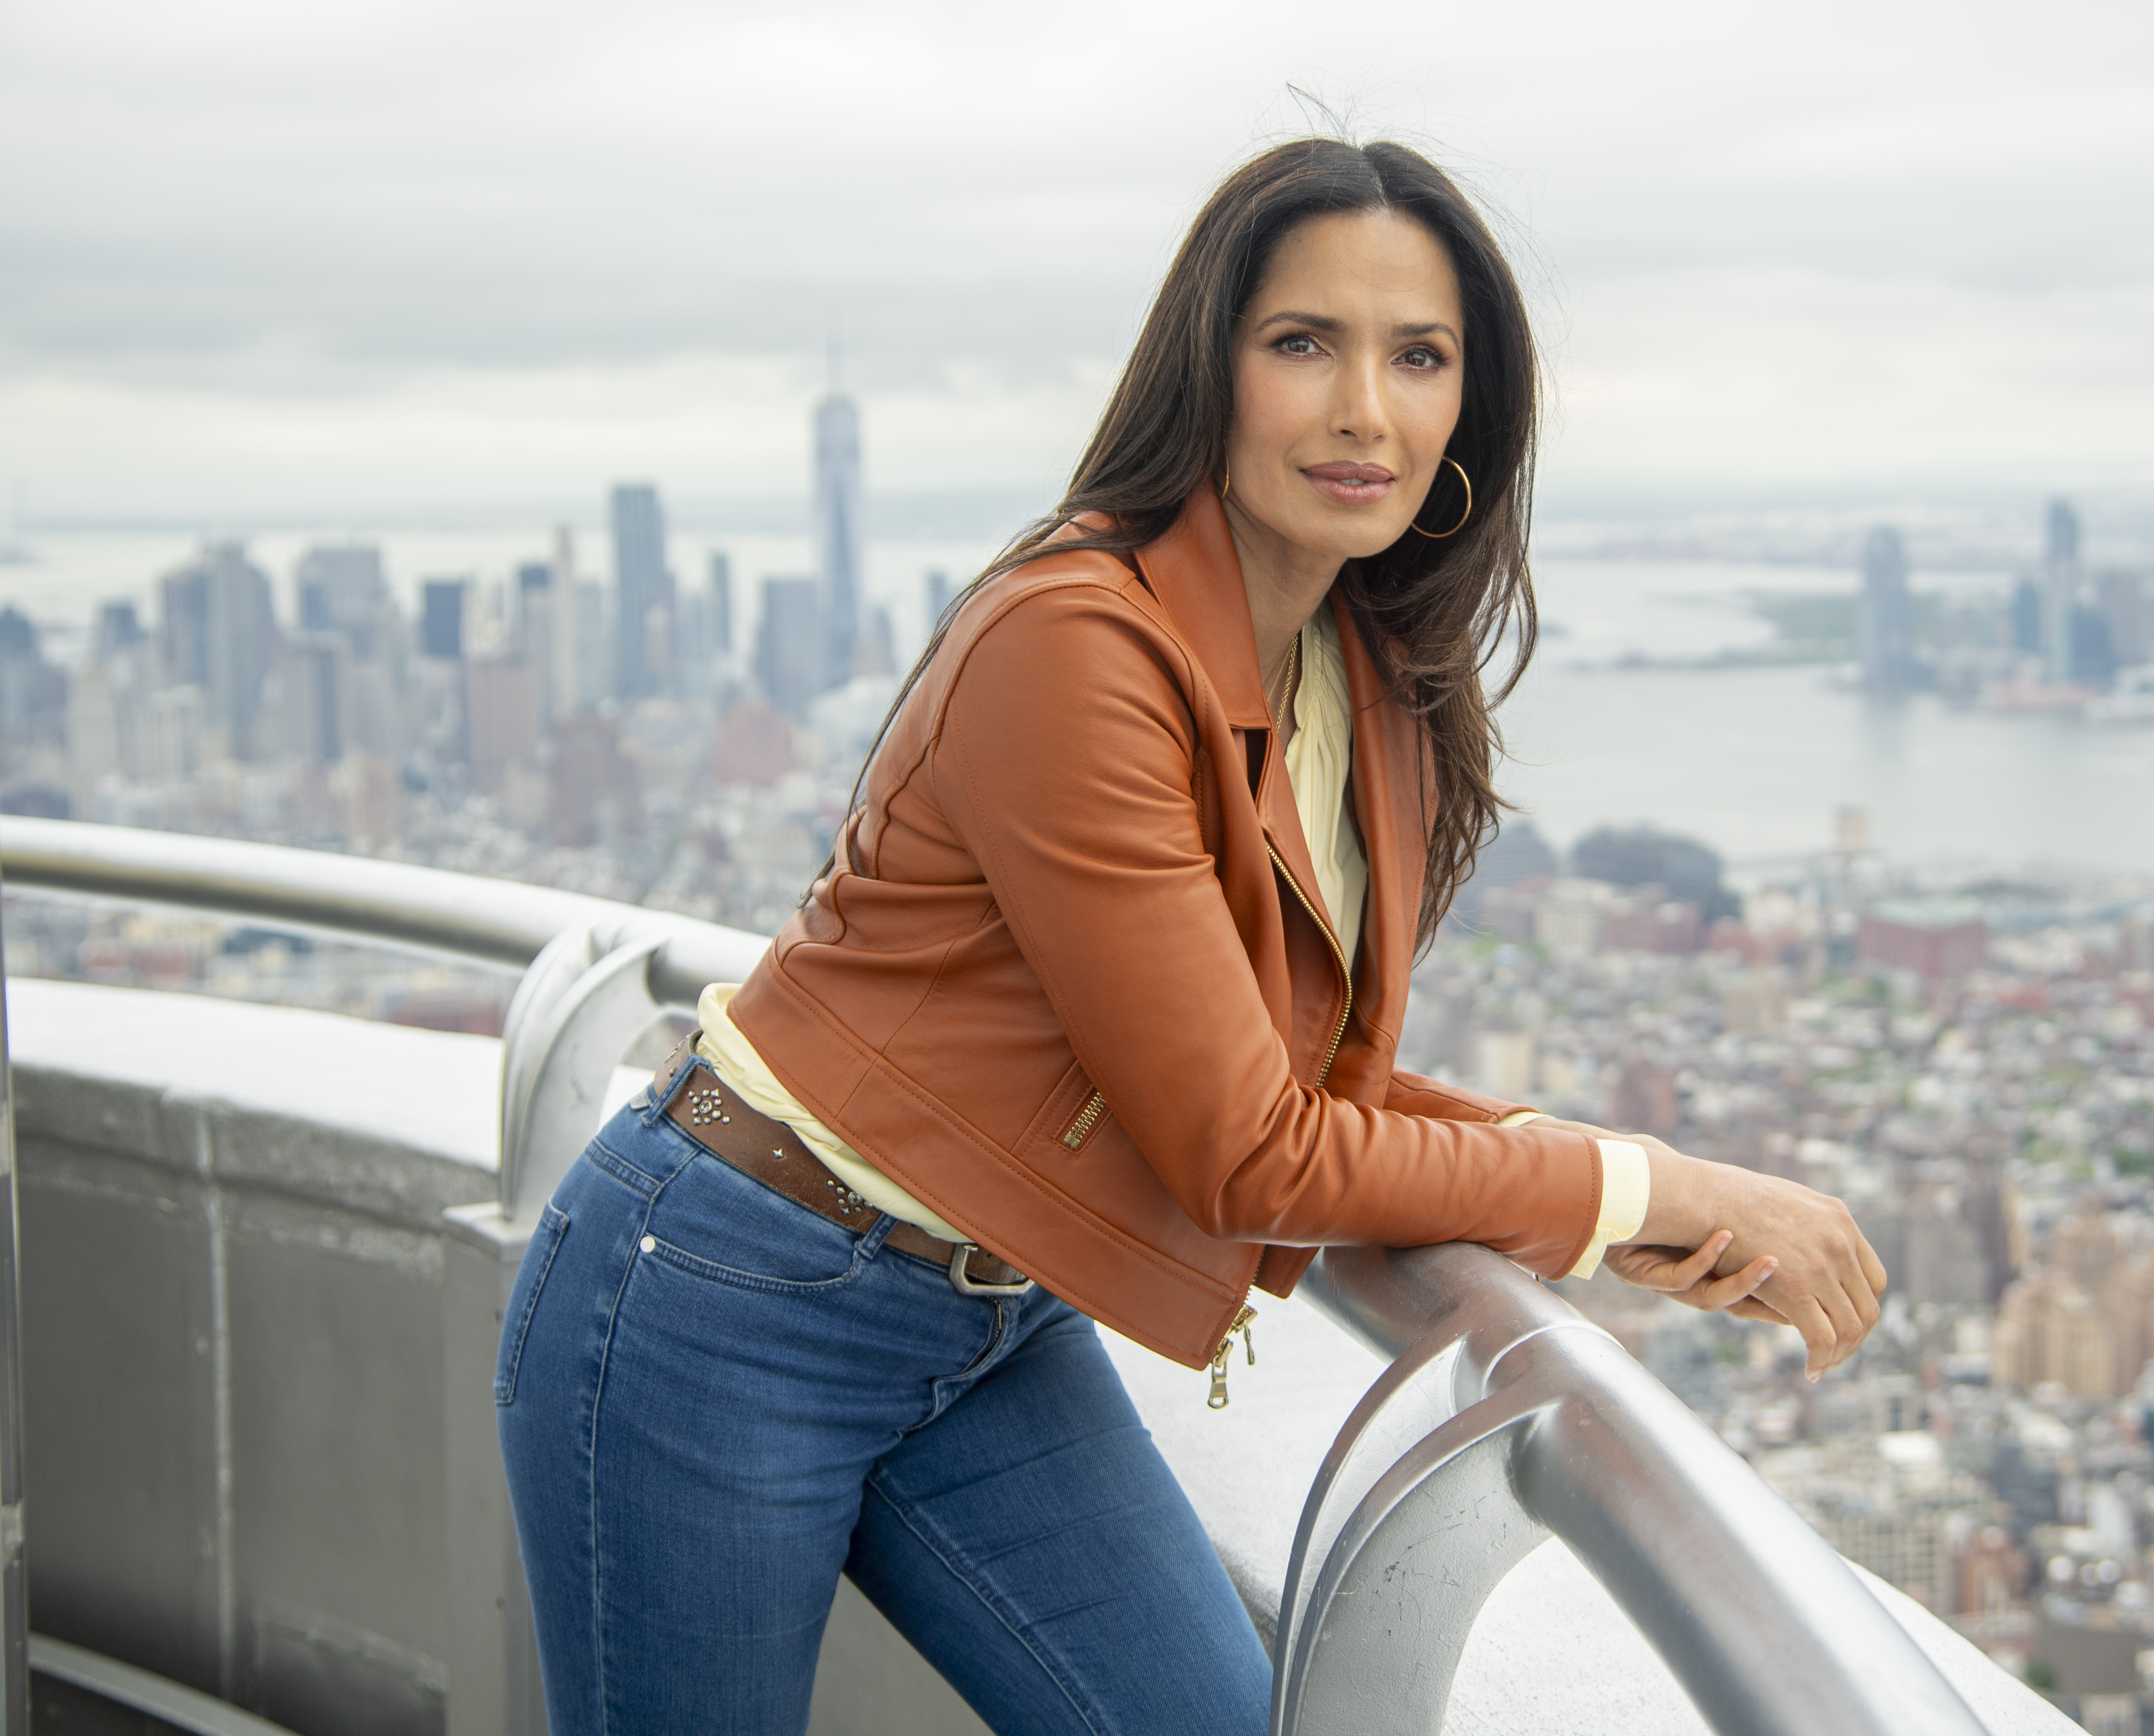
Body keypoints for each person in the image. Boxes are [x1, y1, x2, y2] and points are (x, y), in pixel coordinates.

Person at [495, 135, 1888, 1736]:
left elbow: (1305, 1090)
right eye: (1305, 344)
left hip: (990, 1322)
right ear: (1209, 375)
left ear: (1466, 418)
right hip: (725, 1289)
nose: (1365, 407)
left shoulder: (1363, 683)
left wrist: (1602, 1183)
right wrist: (1636, 1190)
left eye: (1419, 357)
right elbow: (1247, 1153)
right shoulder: (1076, 643)